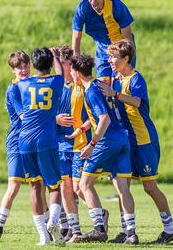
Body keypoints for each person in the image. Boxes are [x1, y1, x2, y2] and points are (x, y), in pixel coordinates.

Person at [99, 40, 173, 244]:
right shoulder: (115, 80)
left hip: (143, 140)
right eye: (109, 57)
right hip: (125, 142)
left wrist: (114, 94)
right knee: (121, 185)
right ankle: (127, 231)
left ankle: (170, 229)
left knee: (149, 186)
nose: (110, 61)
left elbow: (136, 102)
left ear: (126, 59)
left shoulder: (136, 78)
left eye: (113, 57)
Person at [70, 54, 135, 243]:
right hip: (122, 138)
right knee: (123, 188)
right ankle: (131, 233)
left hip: (107, 140)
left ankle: (99, 228)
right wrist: (83, 127)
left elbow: (104, 119)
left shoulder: (90, 90)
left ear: (77, 72)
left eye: (72, 71)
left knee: (84, 184)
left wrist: (92, 144)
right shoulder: (99, 84)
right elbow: (98, 117)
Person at [17, 48, 66, 246]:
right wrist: (56, 57)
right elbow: (61, 73)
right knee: (54, 187)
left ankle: (42, 236)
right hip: (46, 140)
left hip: (25, 141)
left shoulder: (23, 84)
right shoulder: (56, 82)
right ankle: (53, 221)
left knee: (34, 187)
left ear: (34, 65)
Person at [0, 51, 31, 242]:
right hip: (17, 140)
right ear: (13, 70)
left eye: (25, 65)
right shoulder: (13, 90)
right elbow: (25, 117)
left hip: (35, 140)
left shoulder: (34, 85)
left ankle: (55, 226)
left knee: (39, 185)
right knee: (14, 186)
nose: (23, 69)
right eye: (19, 67)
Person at [54, 45, 89, 243]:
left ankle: (99, 215)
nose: (60, 66)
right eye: (58, 63)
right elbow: (41, 115)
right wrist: (55, 119)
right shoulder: (54, 87)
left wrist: (83, 128)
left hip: (78, 144)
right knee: (65, 188)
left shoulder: (80, 87)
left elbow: (93, 115)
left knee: (78, 188)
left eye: (64, 63)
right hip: (59, 145)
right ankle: (74, 230)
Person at [71, 0, 135, 82]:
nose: (93, 1)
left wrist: (124, 64)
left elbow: (128, 40)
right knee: (102, 86)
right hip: (102, 50)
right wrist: (75, 67)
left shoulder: (116, 6)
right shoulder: (82, 8)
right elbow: (76, 38)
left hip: (121, 51)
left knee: (119, 87)